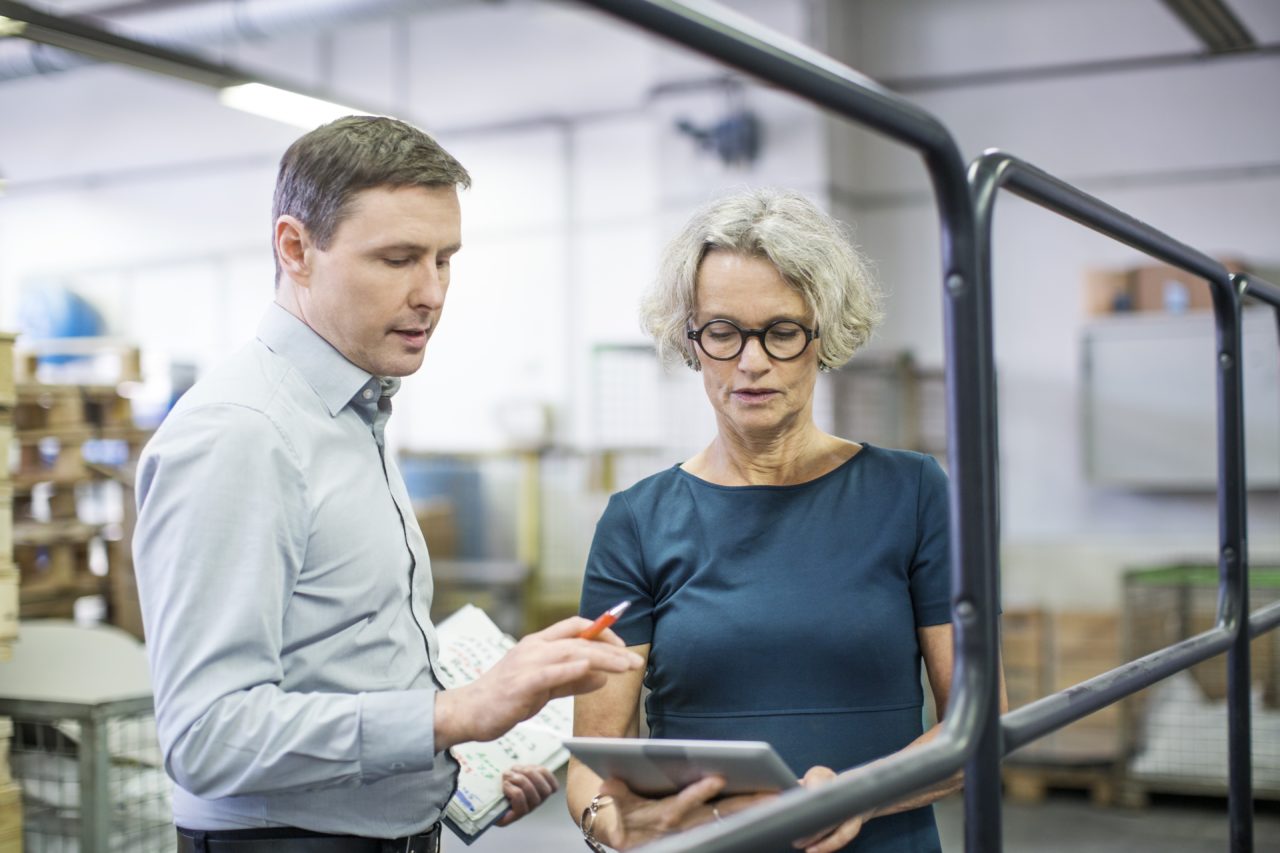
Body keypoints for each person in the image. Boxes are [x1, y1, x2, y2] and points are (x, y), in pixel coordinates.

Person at [133, 116, 642, 853]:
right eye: (399, 258)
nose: (431, 292)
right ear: (296, 249)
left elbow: (338, 657)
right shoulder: (242, 433)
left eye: (444, 259)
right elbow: (208, 734)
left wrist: (449, 768)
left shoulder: (348, 412)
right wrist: (456, 712)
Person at [568, 188, 1003, 853]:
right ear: (691, 341)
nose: (751, 361)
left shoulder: (911, 493)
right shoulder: (638, 521)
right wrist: (614, 823)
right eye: (722, 331)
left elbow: (980, 719)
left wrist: (861, 793)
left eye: (781, 330)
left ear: (824, 333)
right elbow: (595, 761)